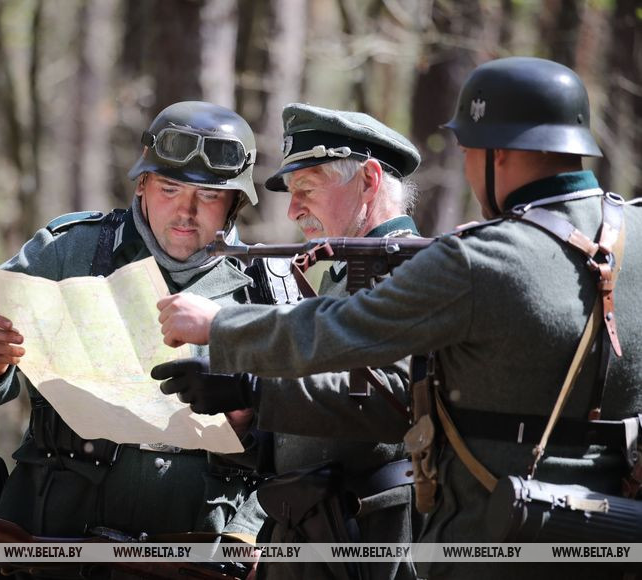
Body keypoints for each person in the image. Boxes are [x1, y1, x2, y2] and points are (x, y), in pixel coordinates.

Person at [157, 57, 642, 580]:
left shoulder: (478, 260)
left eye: (467, 152)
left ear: (496, 154)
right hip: (613, 534)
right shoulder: (631, 232)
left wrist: (221, 328)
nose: (294, 211)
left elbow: (356, 344)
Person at [0, 101, 268, 578]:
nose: (186, 211)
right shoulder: (74, 249)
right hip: (57, 536)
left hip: (193, 547)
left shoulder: (264, 287)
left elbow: (301, 441)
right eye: (170, 188)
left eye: (208, 196)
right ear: (142, 185)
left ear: (234, 203)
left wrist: (249, 520)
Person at [153, 104, 422, 580]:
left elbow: (384, 405)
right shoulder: (349, 276)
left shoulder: (412, 274)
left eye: (307, 189)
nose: (294, 209)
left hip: (369, 546)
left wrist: (253, 387)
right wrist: (246, 422)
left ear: (370, 179)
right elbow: (316, 434)